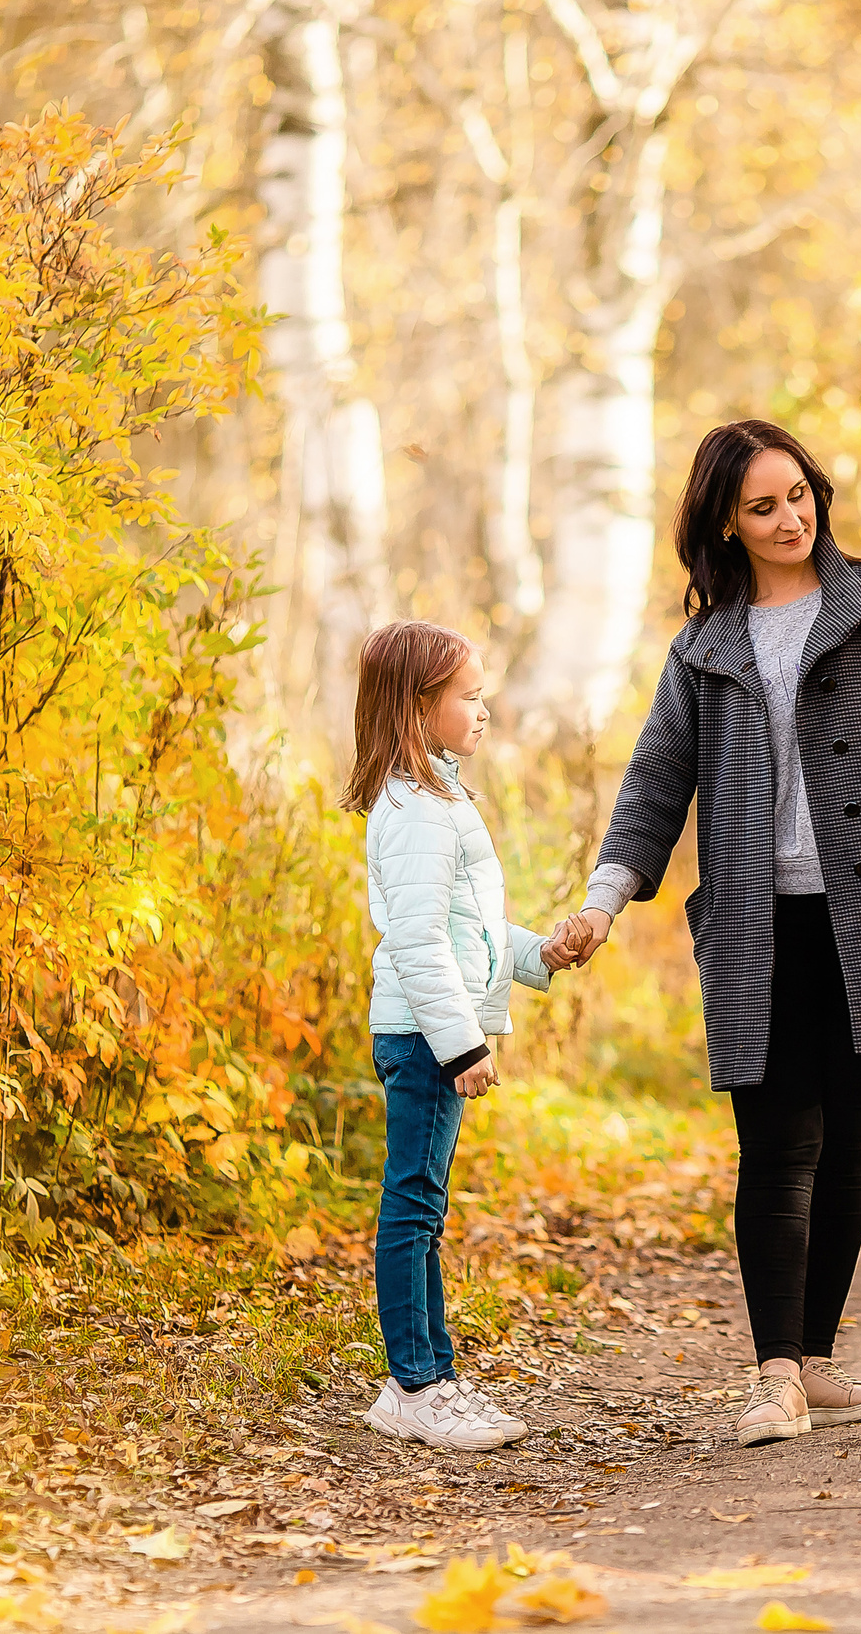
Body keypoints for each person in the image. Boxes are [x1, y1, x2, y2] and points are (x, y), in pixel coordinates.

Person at [566, 419, 861, 1447]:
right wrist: (603, 901)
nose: (789, 519)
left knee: (849, 1146)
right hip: (755, 925)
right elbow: (654, 781)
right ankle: (772, 1376)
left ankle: (812, 1362)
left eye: (798, 495)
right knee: (777, 1147)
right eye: (761, 507)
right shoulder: (704, 646)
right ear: (725, 526)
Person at [342, 620, 589, 1453]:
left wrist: (537, 954)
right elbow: (415, 945)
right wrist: (462, 1047)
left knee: (426, 1207)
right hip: (423, 1037)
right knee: (412, 1207)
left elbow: (464, 926)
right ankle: (415, 1384)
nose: (484, 709)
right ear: (420, 706)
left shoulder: (438, 796)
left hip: (429, 1031)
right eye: (469, 696)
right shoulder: (415, 809)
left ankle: (430, 1376)